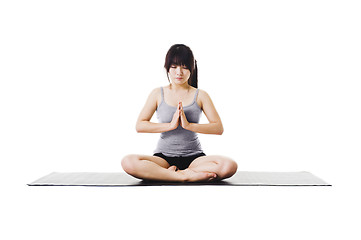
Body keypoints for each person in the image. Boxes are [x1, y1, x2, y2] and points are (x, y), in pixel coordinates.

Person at [121, 44, 238, 182]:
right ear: (167, 68)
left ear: (191, 69)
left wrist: (188, 125)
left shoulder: (201, 95)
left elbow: (218, 128)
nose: (179, 72)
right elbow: (140, 126)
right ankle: (182, 176)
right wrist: (170, 125)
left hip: (194, 159)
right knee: (128, 162)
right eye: (174, 67)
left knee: (229, 165)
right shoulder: (158, 93)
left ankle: (178, 173)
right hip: (163, 159)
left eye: (184, 67)